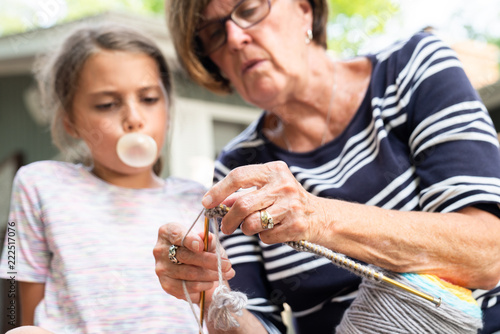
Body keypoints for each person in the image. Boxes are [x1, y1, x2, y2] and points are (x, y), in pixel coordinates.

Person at [154, 0, 500, 333]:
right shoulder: (237, 166)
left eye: (248, 9)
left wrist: (317, 217)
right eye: (214, 33)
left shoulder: (411, 69)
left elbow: (488, 253)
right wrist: (211, 294)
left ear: (305, 10)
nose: (234, 38)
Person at [0, 24, 206, 333]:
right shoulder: (39, 185)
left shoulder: (199, 200)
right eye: (108, 104)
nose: (134, 119)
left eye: (149, 98)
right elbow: (18, 303)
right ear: (70, 120)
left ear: (168, 106)